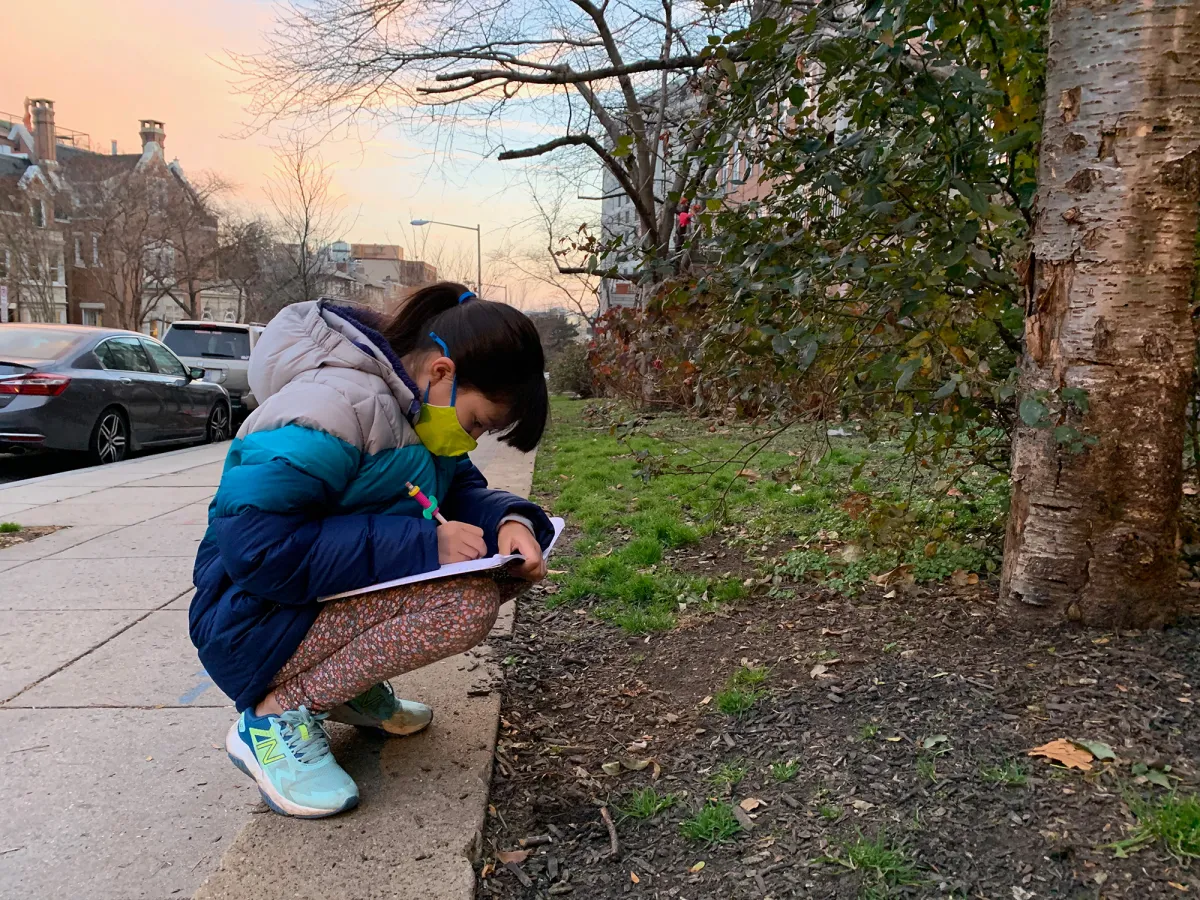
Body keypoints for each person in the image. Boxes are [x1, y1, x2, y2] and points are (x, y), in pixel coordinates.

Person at [189, 282, 554, 818]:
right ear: (442, 373)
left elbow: (462, 493)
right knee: (463, 605)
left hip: (302, 608)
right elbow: (259, 550)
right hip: (249, 618)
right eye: (477, 422)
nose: (473, 440)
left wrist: (511, 521)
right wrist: (424, 544)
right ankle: (272, 719)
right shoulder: (329, 408)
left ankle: (342, 688)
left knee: (505, 572)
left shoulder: (416, 419)